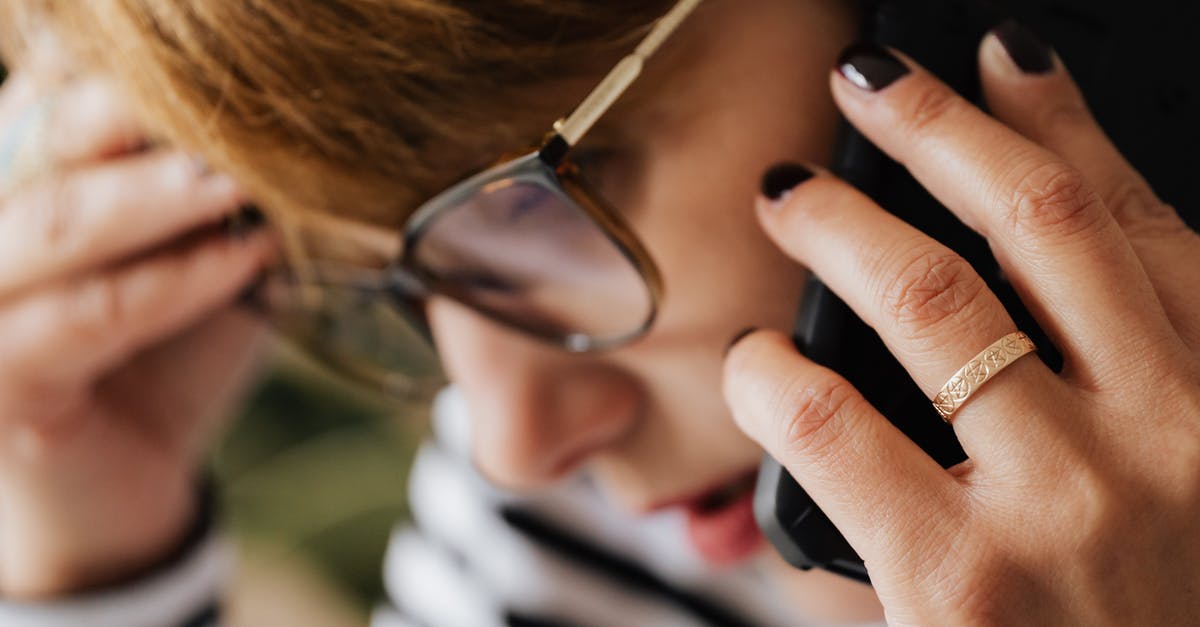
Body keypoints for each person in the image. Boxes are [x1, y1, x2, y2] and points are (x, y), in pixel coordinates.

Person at [0, 0, 1197, 625]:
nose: (516, 445)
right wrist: (100, 571)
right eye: (398, 288)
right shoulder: (584, 537)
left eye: (531, 209)